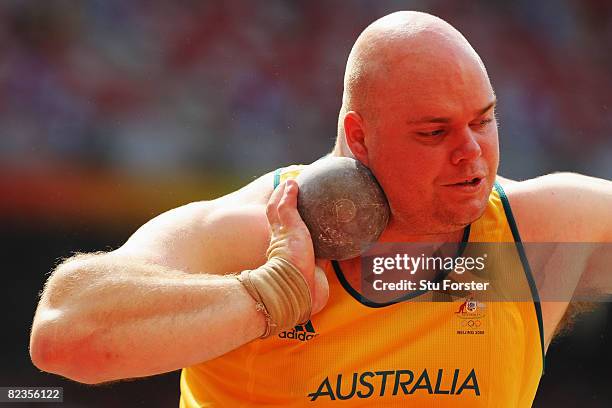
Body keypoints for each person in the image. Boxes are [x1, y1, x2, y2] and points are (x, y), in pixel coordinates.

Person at [29, 11, 611, 407]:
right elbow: (63, 332)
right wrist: (262, 296)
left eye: (484, 120)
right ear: (359, 138)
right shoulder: (261, 235)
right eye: (434, 132)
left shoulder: (528, 242)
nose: (472, 153)